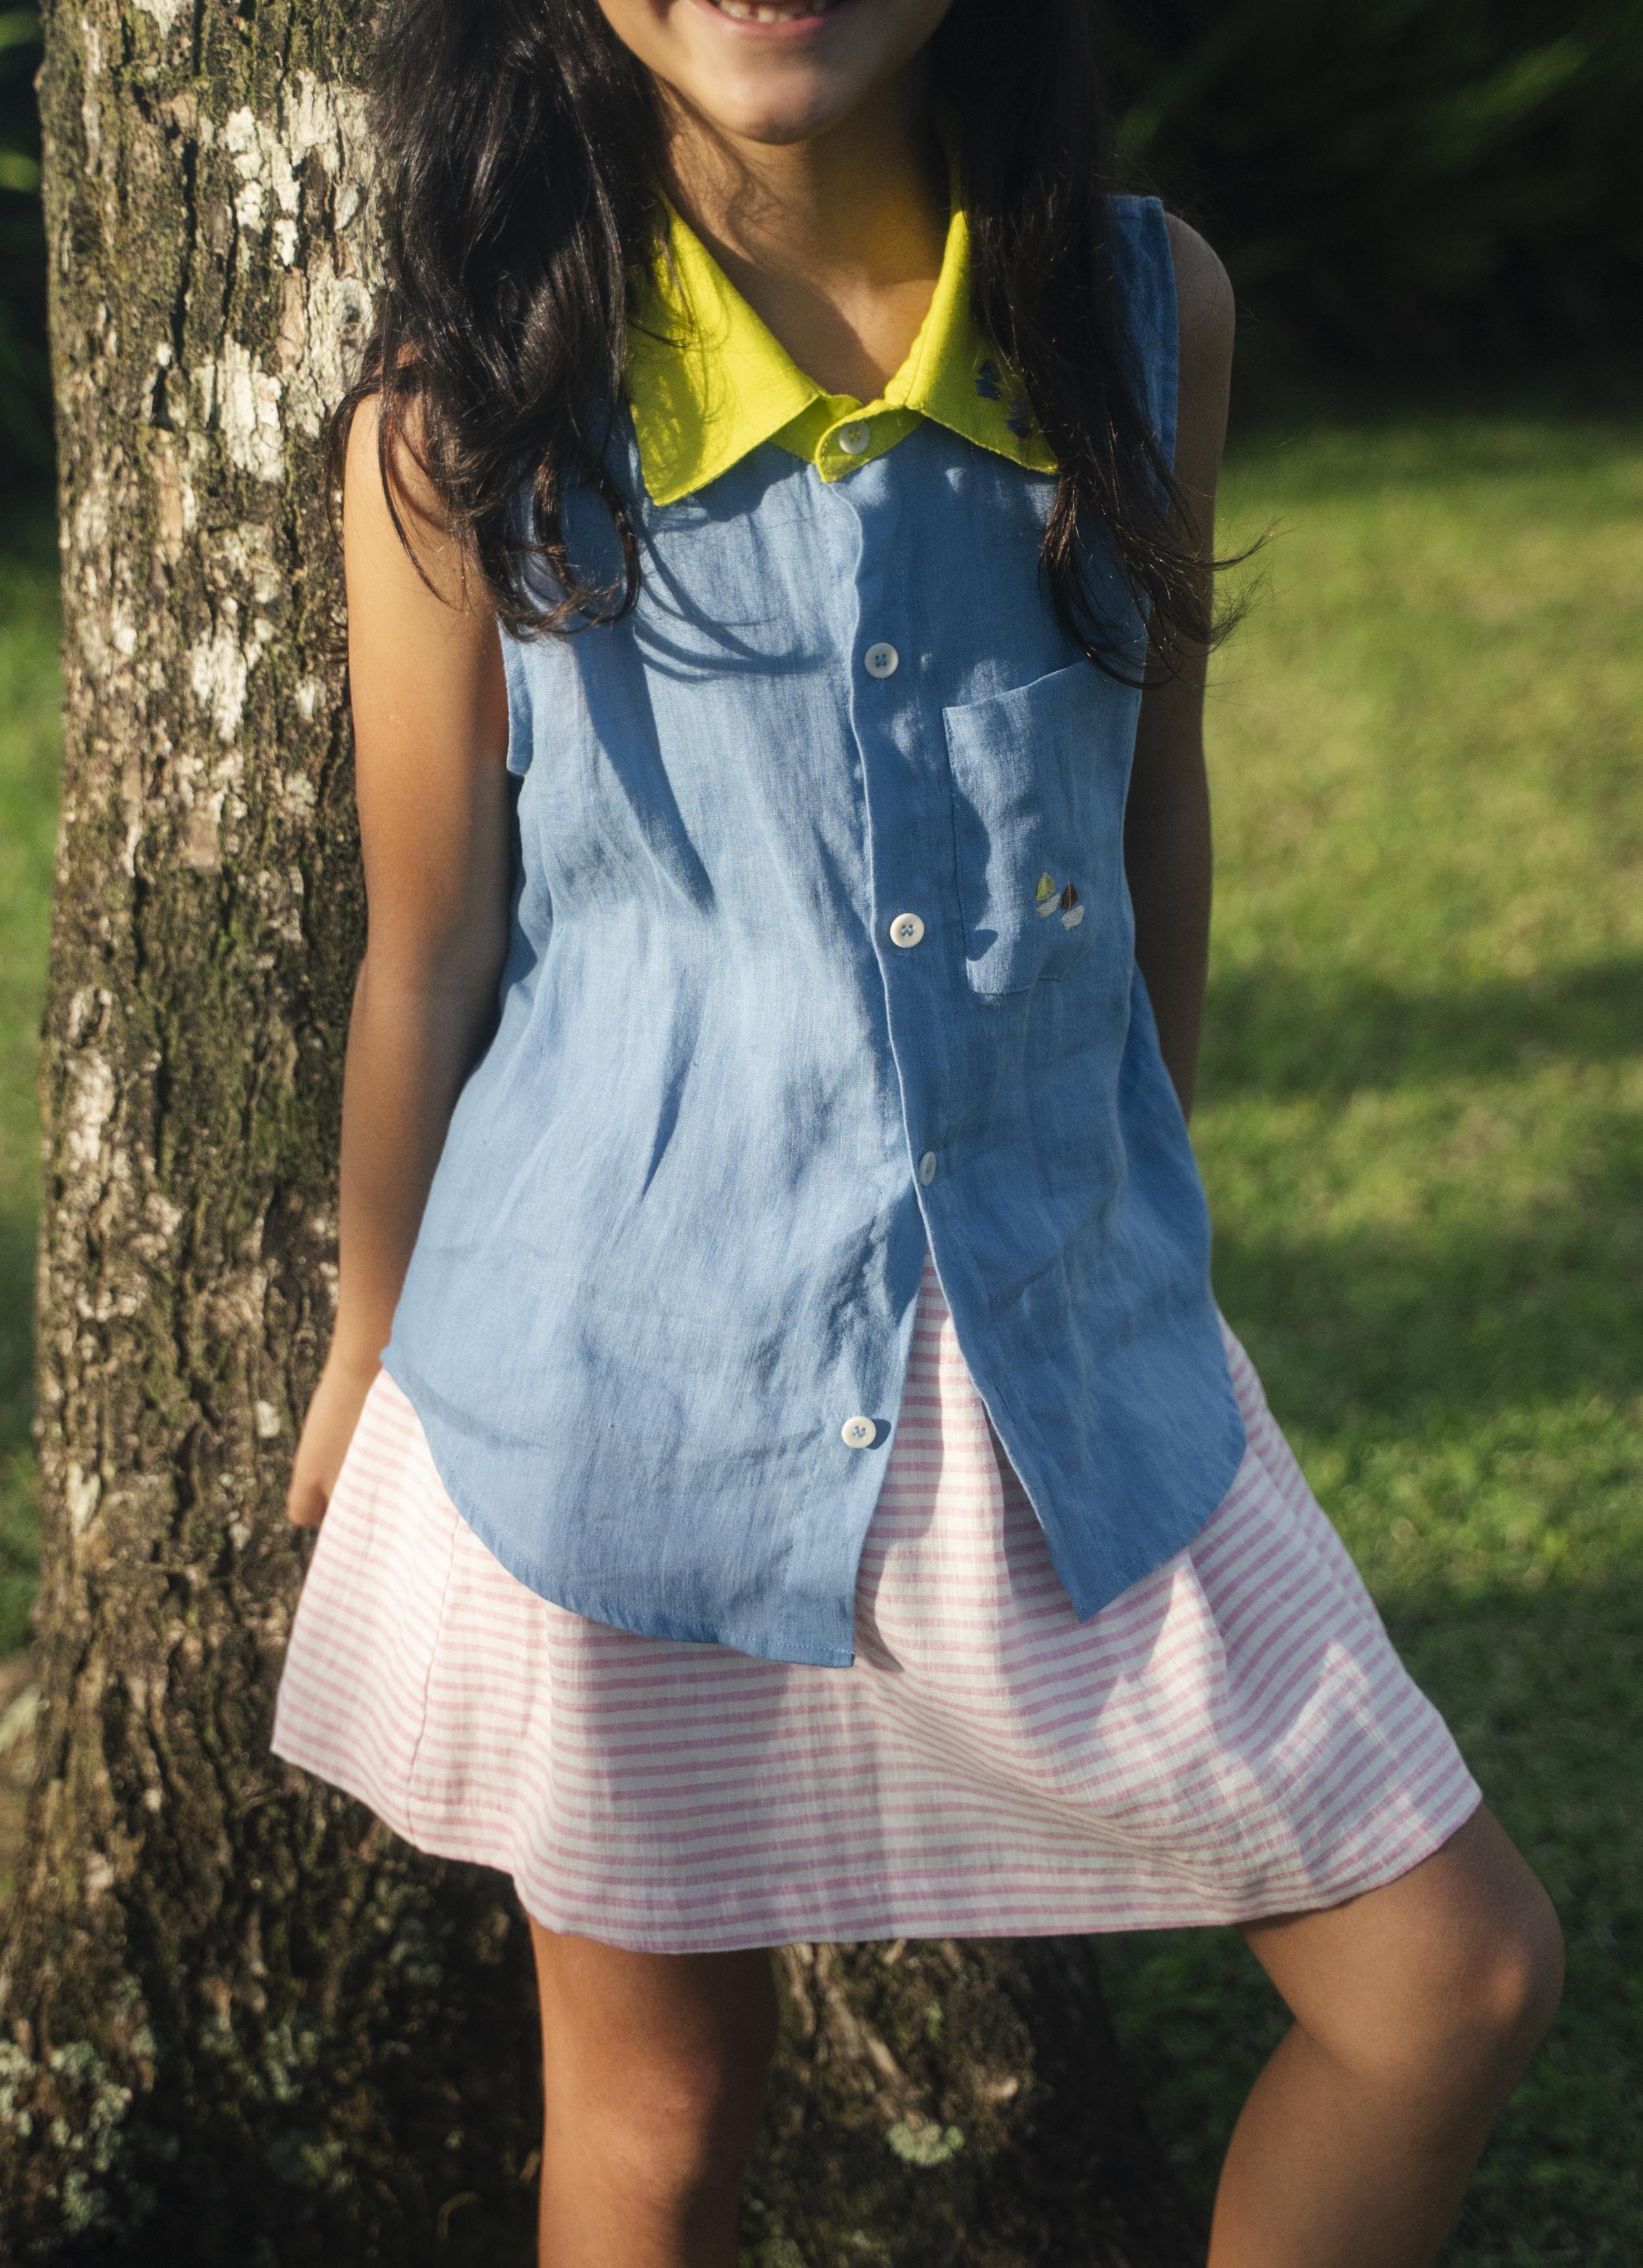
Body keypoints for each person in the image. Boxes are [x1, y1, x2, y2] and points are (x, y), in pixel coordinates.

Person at [269, 1, 1564, 2261]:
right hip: (613, 1389)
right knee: (656, 2117)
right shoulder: (464, 406)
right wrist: (364, 1341)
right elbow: (426, 955)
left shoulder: (1144, 311)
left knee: (1450, 1980)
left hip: (1077, 1380)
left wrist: (1145, 1231)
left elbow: (1156, 804)